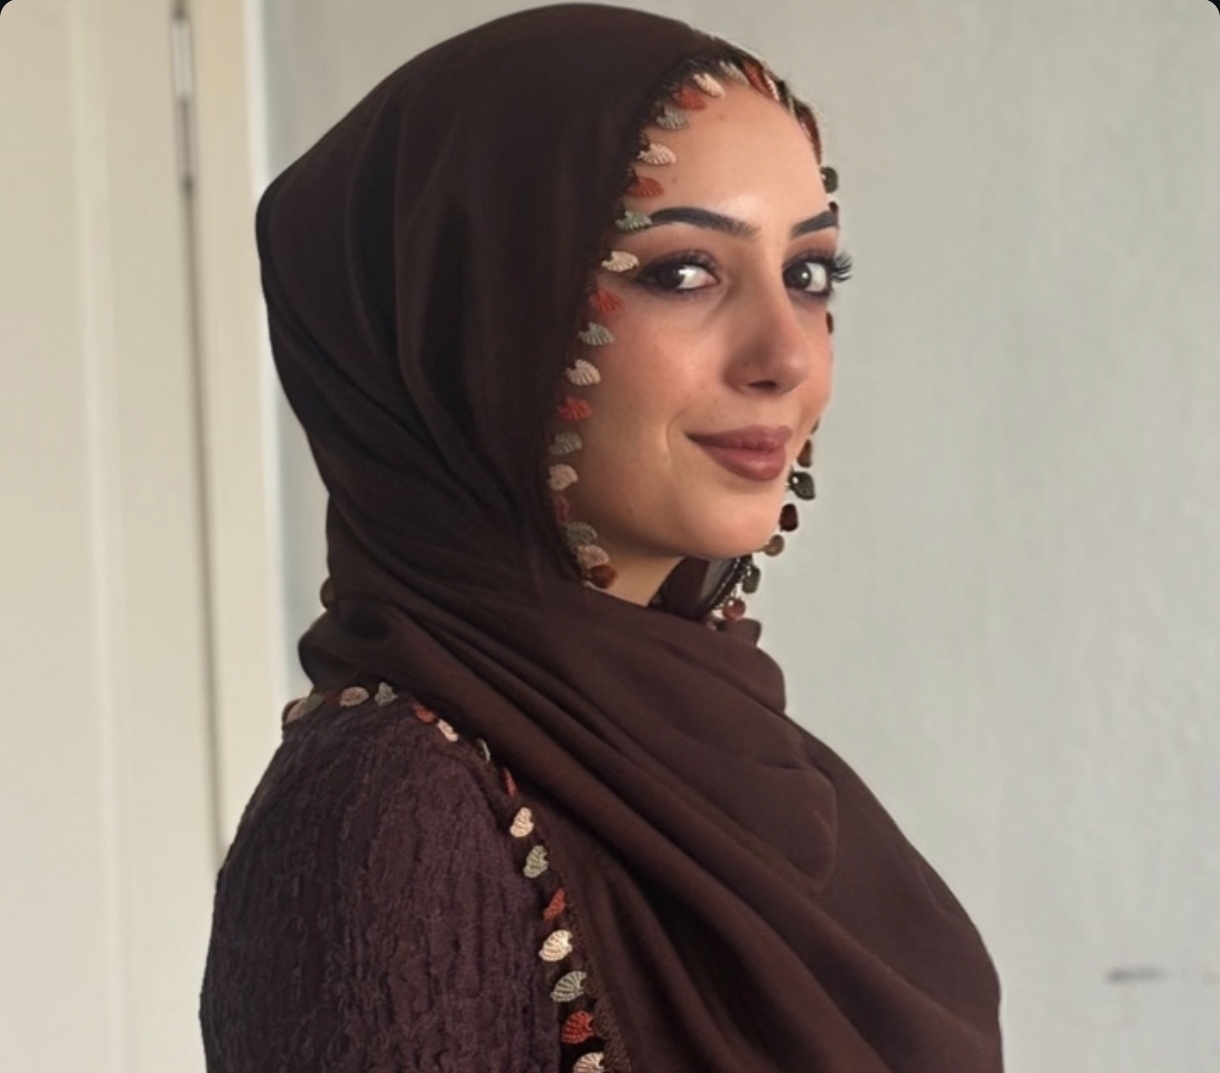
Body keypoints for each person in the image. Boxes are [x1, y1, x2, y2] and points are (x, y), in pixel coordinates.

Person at [199, 5, 1004, 1072]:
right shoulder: (389, 819)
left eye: (809, 274)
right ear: (466, 318)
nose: (784, 356)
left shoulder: (753, 774)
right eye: (682, 272)